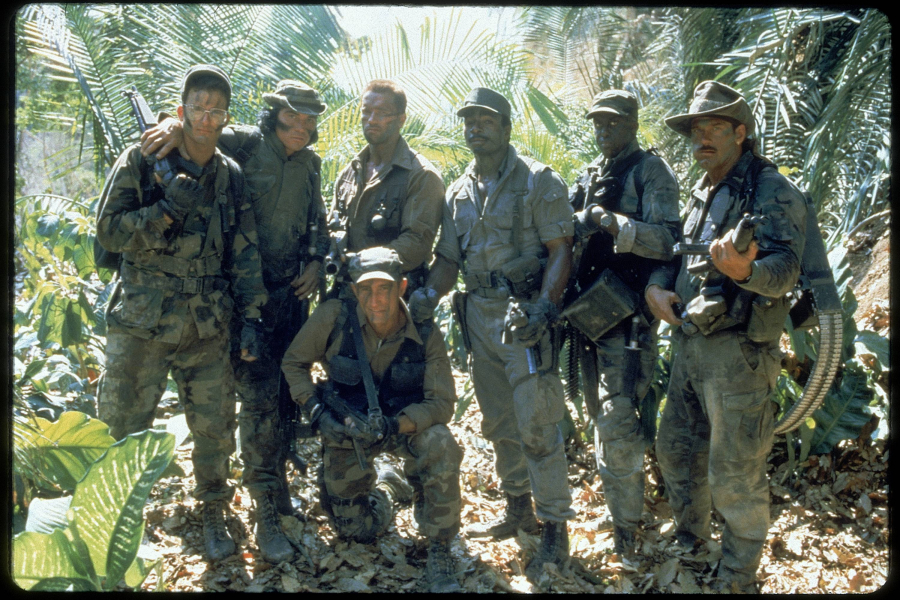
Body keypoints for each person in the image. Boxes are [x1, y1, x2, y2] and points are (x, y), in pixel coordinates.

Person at [141, 80, 331, 564]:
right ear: (274, 115)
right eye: (292, 117)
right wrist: (171, 127)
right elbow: (195, 133)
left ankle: (268, 495)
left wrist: (315, 261)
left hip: (282, 300)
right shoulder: (242, 142)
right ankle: (214, 504)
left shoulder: (310, 165)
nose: (301, 127)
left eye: (309, 120)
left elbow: (317, 222)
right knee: (215, 407)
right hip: (226, 296)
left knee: (271, 402)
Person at [95, 64, 268, 562]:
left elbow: (244, 252)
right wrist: (165, 210)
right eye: (198, 108)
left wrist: (251, 318)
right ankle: (114, 520)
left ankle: (213, 508)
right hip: (143, 320)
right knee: (122, 425)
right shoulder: (142, 159)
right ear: (182, 110)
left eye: (216, 110)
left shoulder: (229, 175)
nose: (206, 119)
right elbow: (108, 232)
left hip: (206, 324)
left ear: (226, 117)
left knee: (214, 427)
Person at [410, 87, 575, 583]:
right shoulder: (458, 191)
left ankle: (555, 529)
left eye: (485, 120)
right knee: (500, 419)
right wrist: (428, 295)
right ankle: (518, 507)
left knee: (537, 421)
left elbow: (560, 249)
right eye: (469, 120)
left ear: (506, 127)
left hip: (523, 315)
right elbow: (448, 260)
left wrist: (544, 308)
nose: (475, 128)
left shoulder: (537, 180)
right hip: (478, 316)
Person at [648, 81, 807, 592]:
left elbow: (785, 271)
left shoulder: (770, 189)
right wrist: (657, 288)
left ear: (741, 133)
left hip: (739, 354)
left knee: (735, 472)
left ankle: (738, 574)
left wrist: (745, 271)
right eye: (697, 129)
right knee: (677, 450)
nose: (703, 138)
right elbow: (681, 254)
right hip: (691, 344)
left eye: (715, 128)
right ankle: (692, 540)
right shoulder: (705, 189)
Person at [281, 247, 463, 593]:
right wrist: (317, 412)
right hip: (350, 432)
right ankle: (388, 488)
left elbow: (442, 403)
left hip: (403, 427)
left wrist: (396, 425)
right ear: (354, 290)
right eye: (366, 289)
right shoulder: (334, 317)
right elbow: (294, 363)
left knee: (441, 442)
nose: (375, 300)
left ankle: (440, 546)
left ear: (402, 287)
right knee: (355, 532)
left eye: (384, 289)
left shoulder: (424, 331)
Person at [565, 90, 681, 559]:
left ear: (633, 123)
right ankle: (620, 510)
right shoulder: (592, 173)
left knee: (618, 420)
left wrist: (616, 225)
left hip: (628, 319)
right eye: (598, 122)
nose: (604, 130)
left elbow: (670, 241)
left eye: (613, 122)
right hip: (588, 315)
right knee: (599, 413)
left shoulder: (650, 172)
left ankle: (627, 528)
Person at [328, 79, 444, 297]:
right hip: (348, 292)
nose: (372, 120)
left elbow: (416, 244)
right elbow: (333, 225)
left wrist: (359, 263)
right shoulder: (349, 174)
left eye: (382, 113)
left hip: (394, 296)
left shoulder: (421, 176)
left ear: (401, 120)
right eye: (366, 111)